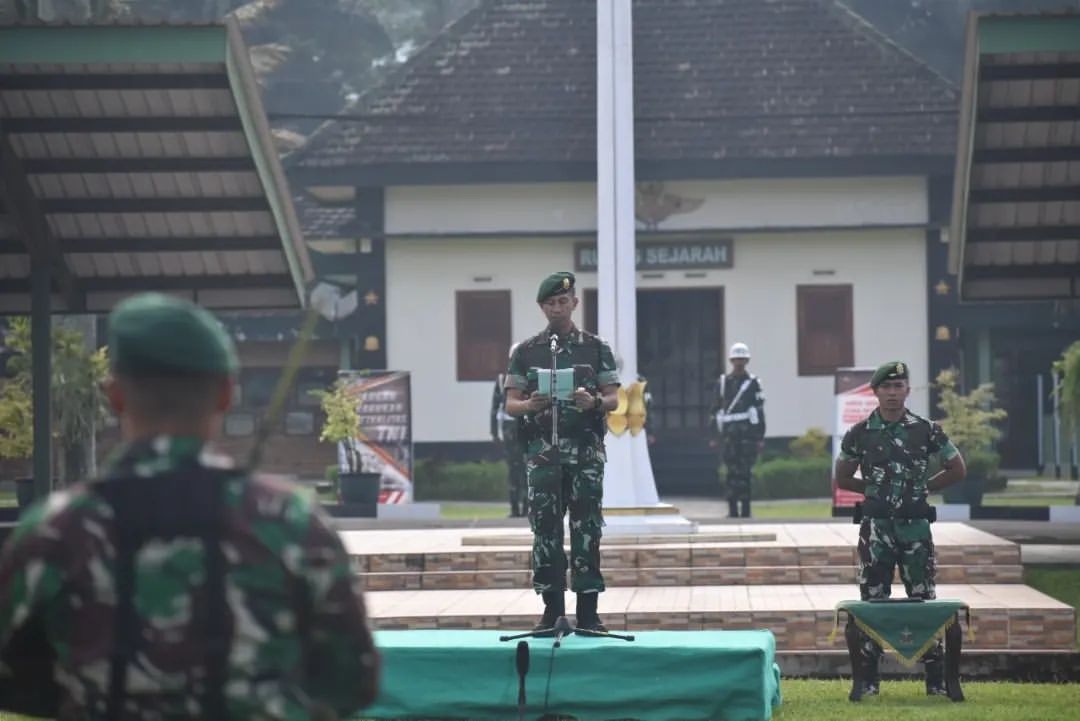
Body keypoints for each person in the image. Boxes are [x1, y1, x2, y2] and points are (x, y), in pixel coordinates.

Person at [0, 293, 379, 720]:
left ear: (115, 395)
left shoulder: (57, 528)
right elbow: (353, 680)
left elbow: (15, 678)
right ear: (226, 394)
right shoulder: (291, 521)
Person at [834, 360, 967, 701]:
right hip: (876, 530)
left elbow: (957, 467)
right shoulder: (860, 432)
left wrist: (923, 488)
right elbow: (844, 476)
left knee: (924, 602)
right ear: (875, 391)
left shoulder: (926, 429)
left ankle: (936, 680)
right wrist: (877, 493)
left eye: (899, 387)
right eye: (886, 387)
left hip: (916, 531)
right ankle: (868, 680)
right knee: (872, 604)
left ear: (907, 390)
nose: (893, 393)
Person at [505, 272, 620, 632]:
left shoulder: (596, 347)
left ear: (575, 303)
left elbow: (615, 398)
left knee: (587, 528)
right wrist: (530, 405)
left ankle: (588, 612)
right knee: (546, 530)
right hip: (543, 454)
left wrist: (594, 401)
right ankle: (552, 609)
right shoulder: (525, 351)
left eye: (563, 301)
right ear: (542, 307)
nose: (557, 307)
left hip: (585, 453)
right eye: (550, 303)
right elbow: (511, 403)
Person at [710, 342, 765, 518]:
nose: (739, 363)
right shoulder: (723, 382)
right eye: (736, 359)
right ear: (731, 361)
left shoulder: (753, 383)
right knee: (731, 473)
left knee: (746, 473)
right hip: (728, 436)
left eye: (742, 359)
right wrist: (714, 435)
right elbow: (714, 410)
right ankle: (732, 509)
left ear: (747, 360)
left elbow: (759, 410)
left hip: (747, 435)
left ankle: (746, 509)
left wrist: (759, 436)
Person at [491, 344, 528, 517]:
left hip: (526, 426)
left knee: (526, 468)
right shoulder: (501, 379)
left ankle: (527, 508)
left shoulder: (529, 376)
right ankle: (515, 508)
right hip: (510, 427)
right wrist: (493, 432)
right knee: (514, 469)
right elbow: (495, 407)